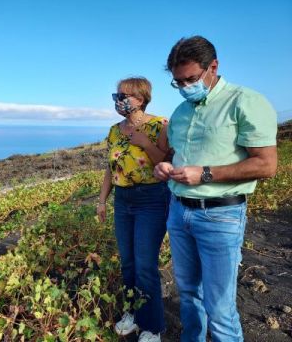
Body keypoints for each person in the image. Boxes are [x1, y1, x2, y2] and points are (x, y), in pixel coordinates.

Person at [154, 36, 277, 341]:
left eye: (191, 79)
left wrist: (205, 174)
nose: (184, 88)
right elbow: (177, 157)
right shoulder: (181, 113)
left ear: (213, 67)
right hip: (179, 211)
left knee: (219, 307)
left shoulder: (245, 101)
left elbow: (266, 165)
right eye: (178, 82)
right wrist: (164, 169)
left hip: (221, 216)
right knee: (188, 294)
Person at [97, 77, 170, 342]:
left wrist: (145, 143)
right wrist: (102, 200)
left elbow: (167, 162)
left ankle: (153, 326)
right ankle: (132, 313)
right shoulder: (114, 130)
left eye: (124, 95)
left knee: (145, 265)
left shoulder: (159, 125)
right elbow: (110, 167)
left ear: (141, 98)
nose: (118, 100)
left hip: (151, 198)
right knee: (128, 262)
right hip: (122, 199)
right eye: (116, 95)